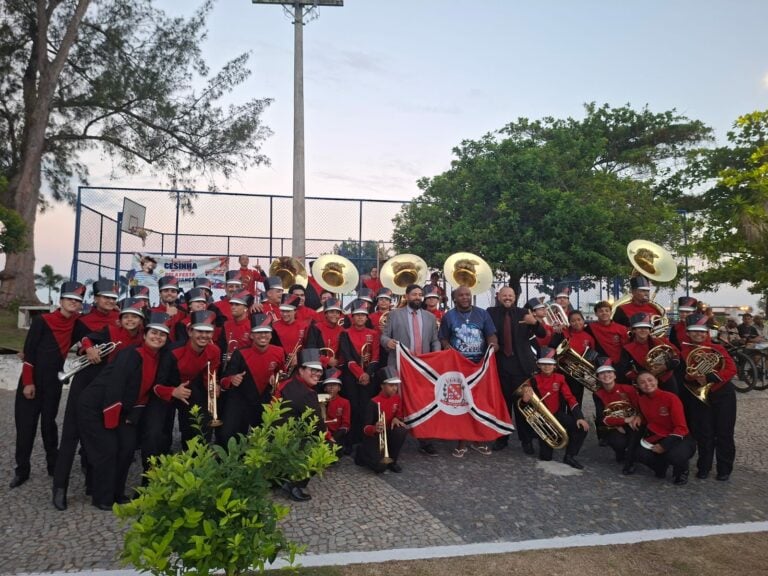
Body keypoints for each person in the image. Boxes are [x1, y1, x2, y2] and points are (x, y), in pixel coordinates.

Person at [52, 298, 146, 510]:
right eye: (126, 316)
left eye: (135, 317)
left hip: (108, 393)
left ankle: (96, 487)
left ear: (141, 321)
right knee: (70, 436)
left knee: (101, 442)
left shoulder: (142, 339)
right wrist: (88, 349)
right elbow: (87, 339)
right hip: (85, 383)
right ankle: (59, 488)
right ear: (120, 320)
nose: (130, 320)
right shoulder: (110, 332)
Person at [76, 312, 171, 510]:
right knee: (108, 450)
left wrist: (132, 416)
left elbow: (143, 391)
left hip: (124, 410)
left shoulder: (159, 359)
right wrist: (112, 420)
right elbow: (115, 386)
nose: (157, 337)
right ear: (144, 335)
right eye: (154, 333)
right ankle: (101, 497)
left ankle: (117, 492)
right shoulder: (131, 354)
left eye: (162, 335)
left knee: (127, 449)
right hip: (96, 406)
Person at [12, 282, 85, 489]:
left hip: (53, 381)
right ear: (61, 300)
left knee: (49, 426)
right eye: (70, 299)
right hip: (31, 381)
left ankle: (54, 466)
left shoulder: (77, 324)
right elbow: (29, 353)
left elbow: (93, 332)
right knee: (26, 428)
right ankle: (22, 470)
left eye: (77, 301)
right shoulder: (42, 321)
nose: (73, 303)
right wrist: (27, 383)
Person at [380, 283, 441, 456]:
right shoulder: (394, 314)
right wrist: (387, 342)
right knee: (396, 400)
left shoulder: (429, 317)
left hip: (422, 368)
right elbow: (384, 336)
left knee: (423, 402)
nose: (417, 297)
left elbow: (435, 340)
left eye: (420, 294)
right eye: (414, 294)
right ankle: (392, 441)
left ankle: (425, 441)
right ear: (406, 296)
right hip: (400, 365)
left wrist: (436, 355)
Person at [439, 285, 498, 457]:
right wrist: (447, 348)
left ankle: (479, 439)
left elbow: (491, 335)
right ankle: (462, 440)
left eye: (468, 295)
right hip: (458, 368)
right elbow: (443, 337)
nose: (465, 297)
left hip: (479, 366)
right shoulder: (448, 316)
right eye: (461, 295)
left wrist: (493, 345)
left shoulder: (482, 314)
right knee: (462, 404)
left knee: (479, 404)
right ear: (455, 298)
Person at [486, 286, 546, 454]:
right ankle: (502, 438)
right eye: (504, 295)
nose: (507, 298)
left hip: (522, 368)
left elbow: (541, 333)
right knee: (502, 406)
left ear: (515, 297)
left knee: (523, 406)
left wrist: (534, 322)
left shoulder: (524, 312)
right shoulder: (490, 312)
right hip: (500, 366)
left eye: (510, 295)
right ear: (499, 297)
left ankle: (526, 441)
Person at [680, 313, 738, 481]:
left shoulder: (718, 349)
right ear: (688, 333)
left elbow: (731, 369)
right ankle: (704, 467)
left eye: (702, 331)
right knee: (704, 433)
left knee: (724, 433)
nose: (699, 334)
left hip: (723, 394)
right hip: (700, 395)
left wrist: (710, 377)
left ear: (707, 333)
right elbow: (685, 375)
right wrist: (693, 377)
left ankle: (724, 469)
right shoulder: (684, 352)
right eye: (694, 331)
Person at [153, 310, 222, 447]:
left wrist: (214, 386)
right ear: (190, 332)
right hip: (167, 390)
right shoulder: (172, 351)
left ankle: (199, 458)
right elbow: (157, 384)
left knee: (201, 425)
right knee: (157, 431)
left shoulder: (215, 351)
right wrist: (172, 392)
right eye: (199, 331)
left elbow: (210, 374)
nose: (204, 335)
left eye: (208, 332)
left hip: (191, 389)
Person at [219, 313, 285, 445]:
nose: (263, 336)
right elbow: (224, 379)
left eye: (266, 332)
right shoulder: (240, 353)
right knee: (229, 435)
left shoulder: (279, 351)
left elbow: (282, 373)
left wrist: (276, 377)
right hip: (240, 399)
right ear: (251, 335)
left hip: (264, 399)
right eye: (258, 332)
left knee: (267, 437)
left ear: (271, 335)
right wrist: (232, 379)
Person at [519, 349, 589, 469]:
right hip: (542, 419)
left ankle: (570, 456)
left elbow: (570, 398)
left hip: (557, 414)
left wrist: (579, 417)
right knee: (546, 457)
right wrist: (525, 398)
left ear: (555, 365)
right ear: (539, 365)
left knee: (581, 428)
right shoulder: (533, 380)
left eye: (550, 363)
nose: (547, 367)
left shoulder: (560, 378)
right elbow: (523, 400)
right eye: (544, 364)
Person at [273, 349, 326, 502]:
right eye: (313, 370)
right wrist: (328, 438)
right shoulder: (306, 394)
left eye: (319, 371)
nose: (317, 374)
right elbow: (317, 425)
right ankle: (295, 483)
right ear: (301, 370)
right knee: (326, 448)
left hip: (275, 435)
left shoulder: (285, 383)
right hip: (289, 440)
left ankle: (281, 476)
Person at [633, 371, 696, 485]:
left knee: (675, 455)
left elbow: (681, 428)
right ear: (638, 386)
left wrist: (664, 446)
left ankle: (682, 471)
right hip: (658, 436)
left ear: (656, 381)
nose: (647, 384)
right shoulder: (641, 400)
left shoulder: (671, 398)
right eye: (642, 382)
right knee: (640, 453)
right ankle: (660, 467)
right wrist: (638, 416)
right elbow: (647, 417)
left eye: (650, 380)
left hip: (680, 437)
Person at [339, 299, 381, 445]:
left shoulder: (374, 334)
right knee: (353, 406)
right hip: (351, 375)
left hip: (368, 375)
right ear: (352, 317)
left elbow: (375, 357)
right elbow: (347, 357)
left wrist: (367, 374)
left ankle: (364, 437)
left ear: (367, 317)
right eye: (357, 315)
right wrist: (360, 374)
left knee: (365, 406)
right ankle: (351, 438)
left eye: (363, 315)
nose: (360, 317)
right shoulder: (345, 333)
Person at [354, 367, 407, 473]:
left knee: (401, 430)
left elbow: (400, 414)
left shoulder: (397, 398)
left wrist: (397, 418)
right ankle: (362, 452)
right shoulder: (373, 402)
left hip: (388, 432)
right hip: (374, 436)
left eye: (396, 385)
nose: (395, 388)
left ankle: (393, 461)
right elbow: (365, 428)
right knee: (380, 467)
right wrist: (374, 428)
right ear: (382, 386)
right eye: (391, 385)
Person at [592, 358, 641, 472]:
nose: (606, 375)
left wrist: (634, 419)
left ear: (614, 375)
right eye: (602, 373)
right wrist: (621, 422)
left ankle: (630, 460)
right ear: (598, 377)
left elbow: (639, 408)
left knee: (635, 433)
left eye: (609, 372)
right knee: (617, 442)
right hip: (617, 424)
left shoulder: (628, 389)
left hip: (632, 421)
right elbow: (602, 418)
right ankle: (621, 453)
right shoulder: (598, 394)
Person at [616, 312, 680, 394]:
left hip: (667, 381)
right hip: (645, 384)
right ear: (633, 330)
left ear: (650, 330)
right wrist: (644, 375)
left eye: (646, 328)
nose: (643, 330)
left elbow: (676, 358)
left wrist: (663, 367)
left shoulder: (661, 341)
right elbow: (625, 371)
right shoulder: (627, 348)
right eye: (639, 328)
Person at [585, 301, 628, 365]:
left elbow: (626, 348)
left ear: (611, 313)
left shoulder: (622, 329)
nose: (604, 313)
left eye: (607, 311)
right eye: (601, 311)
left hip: (619, 364)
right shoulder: (590, 327)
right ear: (596, 313)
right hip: (599, 363)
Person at [320, 369, 351, 450]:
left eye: (334, 385)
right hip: (321, 433)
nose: (331, 387)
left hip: (337, 435)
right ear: (325, 388)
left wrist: (334, 437)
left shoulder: (345, 402)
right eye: (329, 385)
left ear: (339, 388)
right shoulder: (319, 400)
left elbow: (346, 425)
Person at [152, 275, 186, 342]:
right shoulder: (151, 312)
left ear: (177, 294)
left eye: (173, 291)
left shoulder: (183, 313)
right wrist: (167, 316)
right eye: (166, 291)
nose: (169, 293)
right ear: (160, 293)